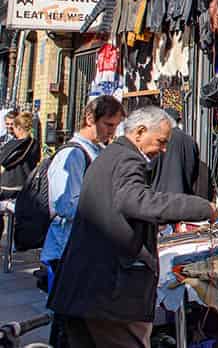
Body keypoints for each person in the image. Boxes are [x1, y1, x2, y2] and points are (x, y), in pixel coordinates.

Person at [48, 106, 217, 348]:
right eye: (161, 141)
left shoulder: (111, 155)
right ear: (139, 132)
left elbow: (119, 208)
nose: (164, 149)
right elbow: (138, 201)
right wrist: (202, 208)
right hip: (109, 292)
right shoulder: (127, 159)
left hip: (88, 290)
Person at [42, 96, 125, 348]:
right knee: (66, 322)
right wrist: (110, 207)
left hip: (86, 249)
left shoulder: (97, 151)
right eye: (108, 125)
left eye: (115, 126)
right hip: (66, 250)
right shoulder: (72, 155)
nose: (112, 132)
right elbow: (64, 204)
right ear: (90, 119)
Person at [149, 108, 200, 196]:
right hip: (183, 197)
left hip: (159, 197)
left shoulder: (158, 138)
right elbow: (194, 173)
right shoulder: (191, 141)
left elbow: (150, 168)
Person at [0, 112, 41, 200]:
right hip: (27, 185)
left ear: (18, 128)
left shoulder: (11, 144)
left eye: (14, 127)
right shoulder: (35, 144)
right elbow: (37, 160)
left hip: (9, 186)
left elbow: (3, 161)